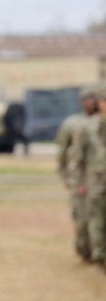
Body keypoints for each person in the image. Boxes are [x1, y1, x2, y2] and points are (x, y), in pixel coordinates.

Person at [56, 86, 99, 261]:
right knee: (81, 217)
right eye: (87, 98)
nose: (91, 102)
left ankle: (97, 252)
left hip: (97, 177)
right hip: (78, 177)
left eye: (93, 98)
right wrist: (65, 175)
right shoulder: (72, 123)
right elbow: (63, 151)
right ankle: (85, 252)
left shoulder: (100, 122)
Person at [75, 84, 106, 273]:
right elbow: (78, 157)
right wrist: (79, 182)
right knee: (97, 220)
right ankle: (100, 258)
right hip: (95, 181)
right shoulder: (87, 126)